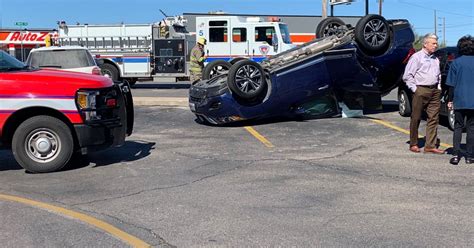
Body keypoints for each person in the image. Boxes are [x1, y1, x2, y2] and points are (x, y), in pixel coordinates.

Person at [403, 33, 444, 154]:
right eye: (433, 43)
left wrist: (439, 87)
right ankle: (414, 143)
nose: (436, 45)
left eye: (436, 43)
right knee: (416, 117)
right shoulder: (416, 57)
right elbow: (407, 76)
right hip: (421, 90)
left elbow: (438, 74)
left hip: (434, 91)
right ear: (425, 44)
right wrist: (415, 89)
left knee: (433, 118)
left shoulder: (435, 59)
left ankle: (430, 146)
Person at [446, 35, 474, 165]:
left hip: (459, 99)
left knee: (458, 126)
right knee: (471, 128)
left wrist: (450, 100)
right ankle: (469, 156)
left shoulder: (456, 63)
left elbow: (451, 85)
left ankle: (456, 155)